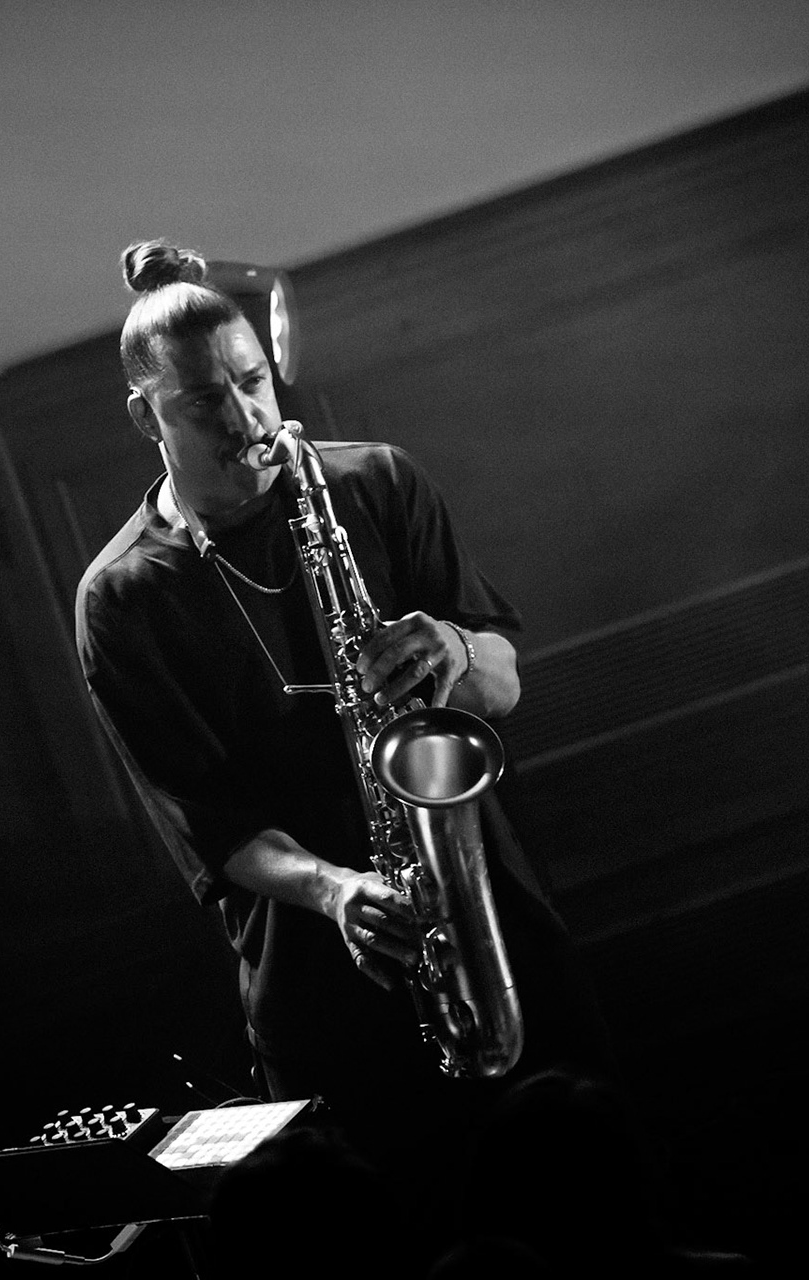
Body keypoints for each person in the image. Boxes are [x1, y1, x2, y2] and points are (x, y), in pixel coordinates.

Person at [75, 240, 612, 1184]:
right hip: (327, 987)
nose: (244, 419)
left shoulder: (375, 482)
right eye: (204, 400)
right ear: (142, 416)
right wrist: (337, 892)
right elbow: (214, 832)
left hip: (497, 932)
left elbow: (505, 682)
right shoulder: (122, 599)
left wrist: (452, 648)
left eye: (253, 383)